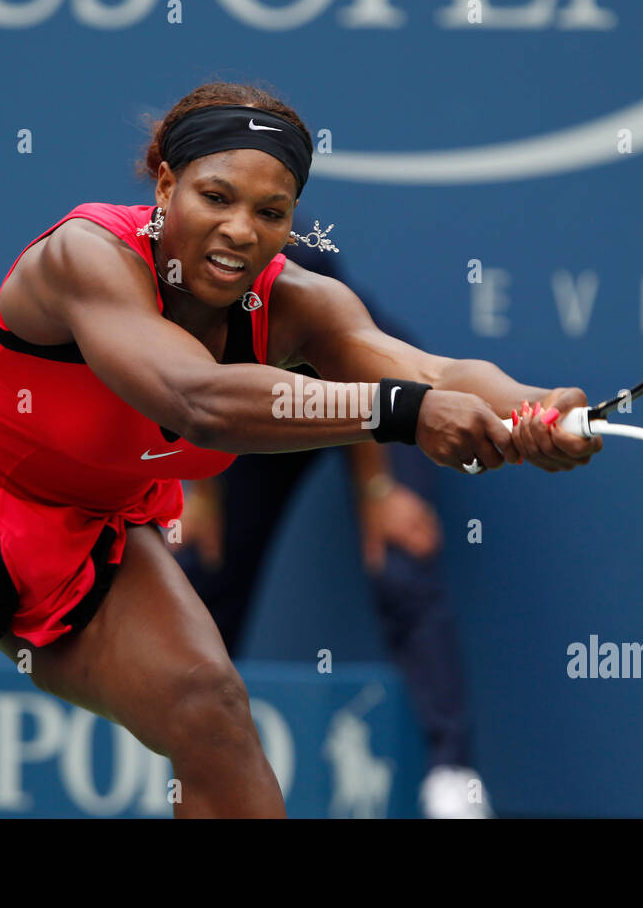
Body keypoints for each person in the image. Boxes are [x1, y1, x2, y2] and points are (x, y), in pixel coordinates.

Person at [0, 81, 601, 819]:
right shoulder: (86, 254)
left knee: (210, 711)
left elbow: (426, 364)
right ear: (162, 182)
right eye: (216, 197)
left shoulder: (300, 301)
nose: (242, 230)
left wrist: (531, 409)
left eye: (273, 212)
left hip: (76, 534)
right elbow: (194, 399)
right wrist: (403, 414)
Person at [173, 241, 494, 818]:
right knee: (204, 564)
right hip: (263, 406)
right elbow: (197, 397)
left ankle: (454, 776)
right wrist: (202, 497)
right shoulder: (169, 280)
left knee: (400, 566)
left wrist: (378, 493)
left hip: (377, 390)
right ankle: (195, 769)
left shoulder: (295, 267)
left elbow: (353, 381)